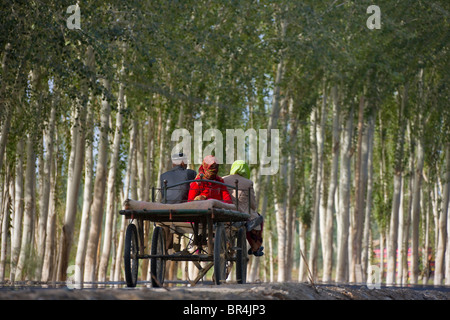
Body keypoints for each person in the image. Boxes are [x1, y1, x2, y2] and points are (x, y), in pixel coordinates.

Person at [223, 160, 264, 256]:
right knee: (257, 219)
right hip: (241, 213)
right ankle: (255, 246)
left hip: (224, 211)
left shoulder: (223, 179)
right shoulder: (248, 183)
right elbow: (253, 204)